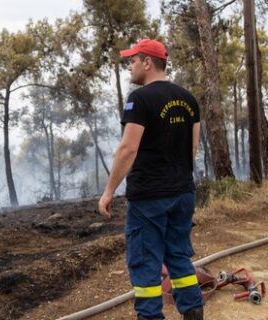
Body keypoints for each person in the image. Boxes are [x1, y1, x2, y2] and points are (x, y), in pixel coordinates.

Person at [97, 39, 204, 320]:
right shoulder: (189, 99)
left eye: (133, 60)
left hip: (150, 198)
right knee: (179, 258)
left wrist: (109, 191)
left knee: (145, 262)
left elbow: (128, 149)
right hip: (183, 193)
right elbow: (191, 149)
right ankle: (193, 314)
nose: (129, 65)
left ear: (148, 62)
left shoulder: (140, 99)